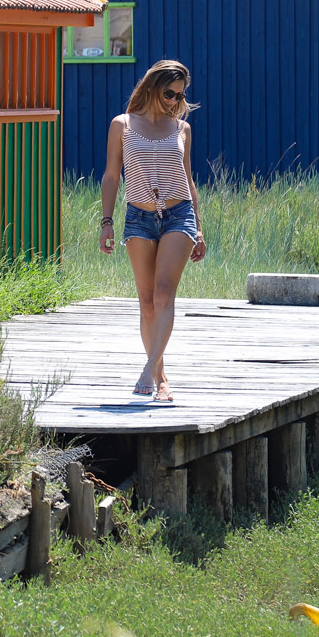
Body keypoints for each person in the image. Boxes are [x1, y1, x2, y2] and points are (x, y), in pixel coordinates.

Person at [98, 60, 206, 402]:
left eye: (180, 95)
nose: (175, 101)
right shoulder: (123, 125)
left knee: (162, 295)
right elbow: (111, 176)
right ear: (152, 87)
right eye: (169, 93)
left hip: (178, 216)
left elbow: (188, 180)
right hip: (138, 218)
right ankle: (161, 377)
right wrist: (106, 222)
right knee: (146, 304)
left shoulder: (182, 129)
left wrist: (198, 229)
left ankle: (148, 370)